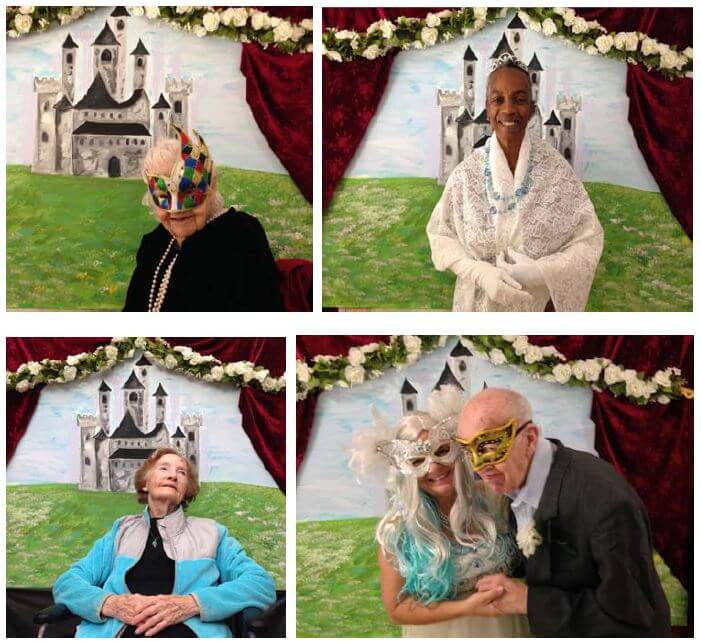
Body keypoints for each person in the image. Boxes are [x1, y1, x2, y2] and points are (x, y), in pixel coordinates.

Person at [456, 387, 671, 636]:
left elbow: (632, 617)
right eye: (468, 451)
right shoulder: (515, 482)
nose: (479, 466)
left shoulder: (605, 503)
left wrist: (530, 601)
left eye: (490, 445)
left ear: (530, 438)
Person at [426, 54, 604, 311]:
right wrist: (477, 272)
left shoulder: (557, 173)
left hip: (536, 318)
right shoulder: (467, 175)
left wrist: (542, 273)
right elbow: (440, 234)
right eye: (498, 99)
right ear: (488, 108)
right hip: (476, 313)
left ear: (532, 108)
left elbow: (589, 239)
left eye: (519, 99)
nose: (508, 109)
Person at [349, 386, 530, 637]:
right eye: (417, 461)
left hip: (505, 628)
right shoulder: (398, 530)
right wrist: (467, 608)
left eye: (441, 450)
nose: (434, 467)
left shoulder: (495, 496)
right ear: (405, 473)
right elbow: (396, 609)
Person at [53, 447, 276, 637]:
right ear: (145, 484)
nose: (173, 475)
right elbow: (67, 583)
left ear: (186, 490)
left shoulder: (212, 533)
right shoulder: (121, 531)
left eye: (181, 473)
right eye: (164, 468)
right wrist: (109, 604)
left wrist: (192, 603)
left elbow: (260, 585)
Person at [123, 124, 283, 312]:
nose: (176, 209)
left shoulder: (241, 234)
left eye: (188, 192)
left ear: (211, 187)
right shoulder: (153, 244)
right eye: (163, 195)